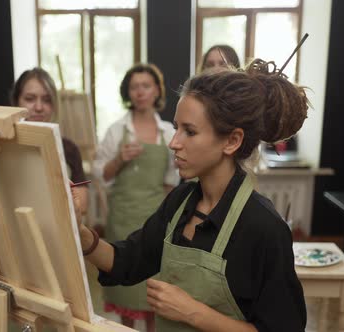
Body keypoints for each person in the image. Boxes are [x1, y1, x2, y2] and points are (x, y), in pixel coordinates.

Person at [75, 58, 308, 332]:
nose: (174, 143)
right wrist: (80, 233)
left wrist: (194, 313)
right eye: (176, 128)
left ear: (232, 141)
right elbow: (127, 262)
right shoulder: (181, 201)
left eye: (190, 131)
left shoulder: (264, 227)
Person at [91, 63, 180, 330]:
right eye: (134, 87)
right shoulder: (117, 130)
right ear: (128, 93)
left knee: (153, 290)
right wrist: (120, 158)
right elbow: (101, 174)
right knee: (126, 290)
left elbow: (171, 181)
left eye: (146, 85)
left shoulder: (167, 132)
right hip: (122, 219)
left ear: (156, 91)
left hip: (155, 221)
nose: (140, 92)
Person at [11, 68, 88, 215]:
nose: (39, 107)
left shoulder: (68, 148)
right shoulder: (3, 146)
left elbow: (82, 205)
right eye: (30, 98)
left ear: (54, 105)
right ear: (16, 101)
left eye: (47, 100)